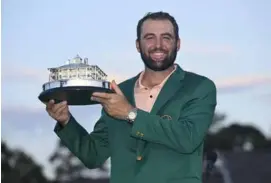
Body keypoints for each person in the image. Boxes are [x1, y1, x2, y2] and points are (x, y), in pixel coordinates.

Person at [45, 11, 217, 183]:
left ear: (177, 44)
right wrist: (66, 122)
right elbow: (93, 155)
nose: (158, 45)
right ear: (138, 45)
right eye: (149, 37)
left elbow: (188, 138)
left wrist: (130, 114)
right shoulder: (119, 92)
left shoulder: (199, 87)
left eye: (166, 37)